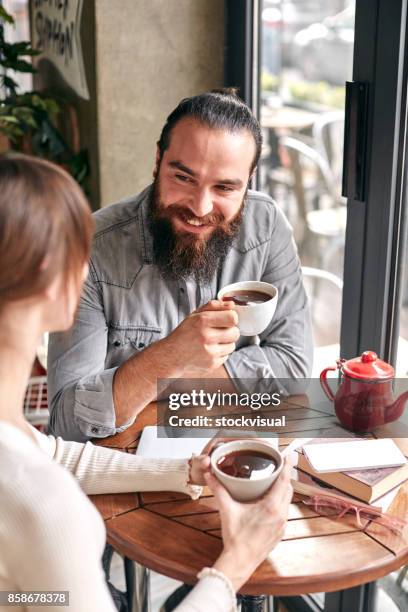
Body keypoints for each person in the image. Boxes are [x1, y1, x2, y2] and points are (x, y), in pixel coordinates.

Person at [0, 153, 293, 612]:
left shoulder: (14, 439)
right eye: (81, 250)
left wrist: (179, 472)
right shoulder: (43, 509)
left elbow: (52, 452)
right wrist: (233, 567)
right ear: (51, 282)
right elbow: (55, 447)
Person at [48, 88, 313, 443]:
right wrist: (170, 356)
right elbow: (66, 421)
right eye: (184, 178)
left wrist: (154, 385)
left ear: (247, 184)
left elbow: (295, 366)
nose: (201, 208)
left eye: (224, 188)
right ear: (158, 161)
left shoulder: (266, 226)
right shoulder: (90, 248)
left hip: (232, 450)